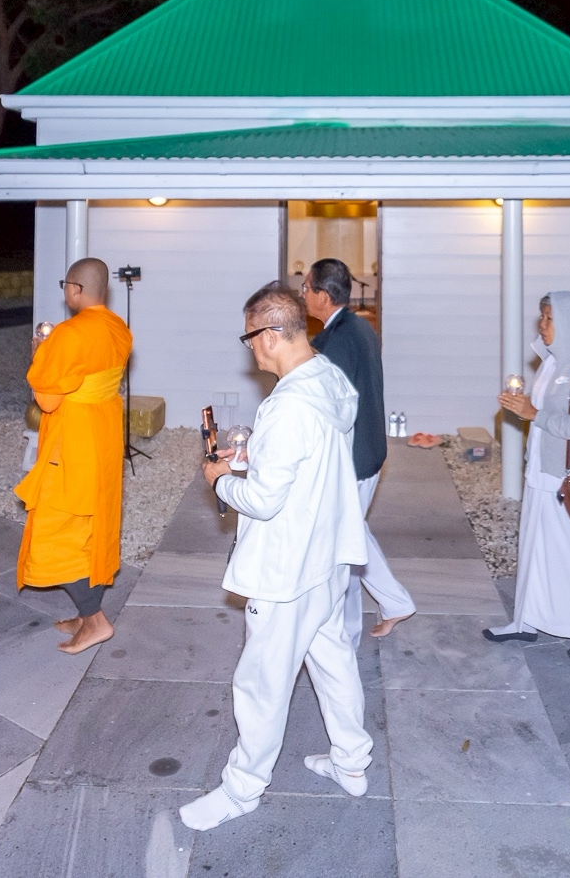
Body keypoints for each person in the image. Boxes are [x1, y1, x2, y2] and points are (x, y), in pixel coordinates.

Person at [181, 283, 370, 832]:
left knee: (262, 681)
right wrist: (252, 458)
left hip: (287, 568)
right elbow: (306, 464)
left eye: (250, 338)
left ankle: (242, 790)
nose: (250, 350)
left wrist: (221, 480)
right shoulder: (329, 378)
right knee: (333, 663)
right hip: (329, 555)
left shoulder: (287, 405)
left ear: (269, 334)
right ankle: (351, 763)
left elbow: (263, 500)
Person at [491, 291, 570, 661]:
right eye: (542, 318)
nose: (541, 325)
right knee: (534, 549)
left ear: (569, 322)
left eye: (548, 318)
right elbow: (541, 413)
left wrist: (533, 414)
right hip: (543, 472)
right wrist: (524, 409)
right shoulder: (551, 362)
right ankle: (526, 620)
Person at [16, 257, 132, 654]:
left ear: (75, 290)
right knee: (90, 527)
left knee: (58, 533)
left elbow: (47, 399)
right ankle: (85, 615)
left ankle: (96, 621)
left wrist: (40, 355)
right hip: (103, 433)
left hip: (74, 437)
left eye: (66, 285)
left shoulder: (68, 334)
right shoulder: (118, 327)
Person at [304, 258, 415, 641]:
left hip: (353, 457)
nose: (303, 295)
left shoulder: (338, 340)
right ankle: (391, 607)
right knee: (353, 535)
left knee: (344, 542)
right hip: (369, 449)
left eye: (306, 289)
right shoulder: (357, 327)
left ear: (322, 295)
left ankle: (348, 629)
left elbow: (326, 406)